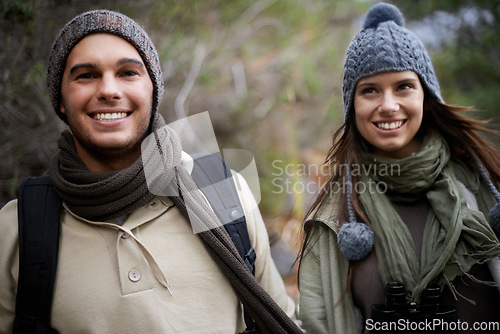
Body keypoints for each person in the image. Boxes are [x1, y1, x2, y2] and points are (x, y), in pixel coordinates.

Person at [0, 10, 301, 333]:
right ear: (60, 100)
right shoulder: (18, 227)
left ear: (154, 91)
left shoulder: (222, 189)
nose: (109, 90)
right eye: (86, 75)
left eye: (128, 72)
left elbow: (281, 322)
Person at [298, 3, 500, 333]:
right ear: (353, 105)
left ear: (426, 95)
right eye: (370, 90)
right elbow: (318, 320)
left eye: (403, 86)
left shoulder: (486, 186)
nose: (388, 106)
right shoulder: (335, 217)